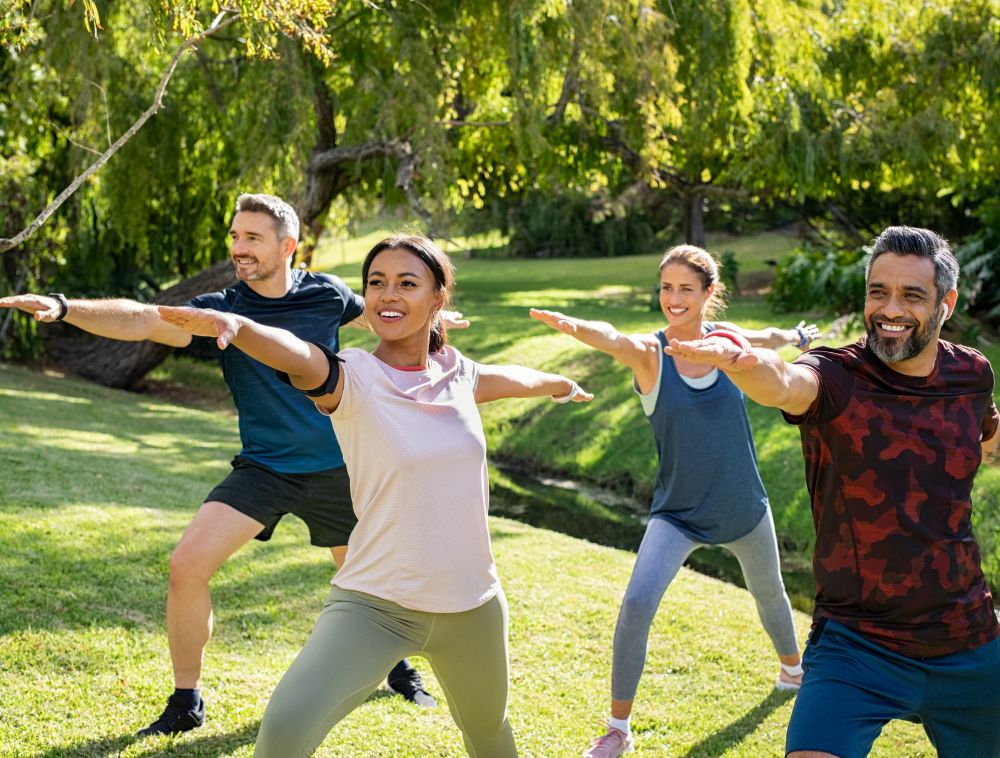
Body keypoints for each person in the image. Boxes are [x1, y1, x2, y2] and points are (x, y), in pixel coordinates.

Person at [0, 194, 454, 735]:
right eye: (235, 237)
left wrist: (435, 319)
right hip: (263, 468)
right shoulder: (221, 306)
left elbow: (377, 318)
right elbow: (146, 320)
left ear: (288, 246)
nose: (238, 248)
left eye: (252, 238)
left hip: (341, 467)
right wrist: (66, 306)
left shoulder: (326, 293)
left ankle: (398, 670)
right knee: (186, 565)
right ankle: (186, 702)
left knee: (367, 580)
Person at [157, 233, 593, 757]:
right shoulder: (352, 377)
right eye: (376, 283)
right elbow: (297, 354)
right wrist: (240, 326)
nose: (388, 295)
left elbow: (512, 378)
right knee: (284, 734)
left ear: (438, 299)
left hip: (472, 605)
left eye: (407, 283)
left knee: (490, 736)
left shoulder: (458, 372)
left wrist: (557, 384)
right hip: (375, 605)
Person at [667, 226, 1000, 758]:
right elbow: (786, 382)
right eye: (877, 291)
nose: (889, 309)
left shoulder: (971, 374)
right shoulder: (838, 375)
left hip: (967, 641)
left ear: (946, 304)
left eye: (911, 295)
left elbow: (985, 437)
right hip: (857, 644)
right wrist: (747, 364)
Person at [530, 244, 820, 758]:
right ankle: (617, 729)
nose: (674, 298)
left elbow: (768, 338)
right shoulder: (651, 355)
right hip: (678, 515)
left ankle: (793, 670)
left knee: (771, 593)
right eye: (666, 288)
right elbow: (613, 337)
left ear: (709, 294)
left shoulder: (730, 343)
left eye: (686, 288)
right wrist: (574, 326)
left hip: (742, 507)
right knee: (638, 601)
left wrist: (796, 338)